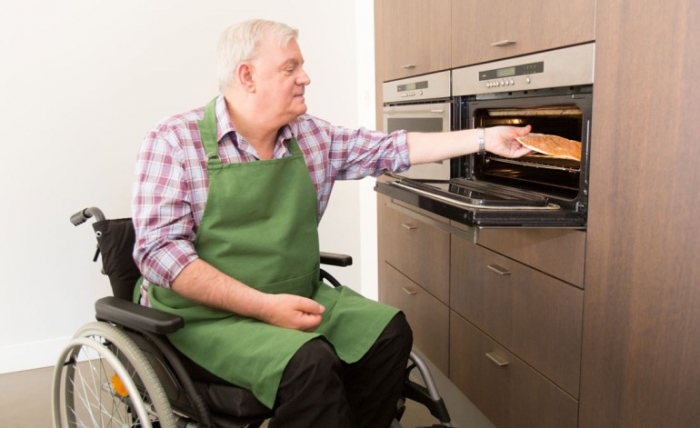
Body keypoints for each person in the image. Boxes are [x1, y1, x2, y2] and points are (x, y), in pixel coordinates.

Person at [132, 19, 531, 428]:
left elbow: (392, 148)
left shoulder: (310, 136)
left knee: (388, 333)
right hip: (205, 317)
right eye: (290, 68)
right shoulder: (174, 141)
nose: (306, 77)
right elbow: (157, 252)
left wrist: (485, 139)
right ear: (247, 76)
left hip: (294, 295)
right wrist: (264, 307)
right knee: (310, 363)